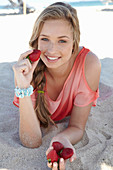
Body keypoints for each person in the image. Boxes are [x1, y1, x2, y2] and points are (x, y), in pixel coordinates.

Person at [12, 2, 101, 170]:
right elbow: (31, 141)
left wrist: (60, 139)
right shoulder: (27, 68)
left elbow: (77, 127)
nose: (51, 50)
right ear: (36, 40)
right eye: (45, 39)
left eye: (62, 41)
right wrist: (23, 86)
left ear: (74, 42)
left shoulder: (89, 65)